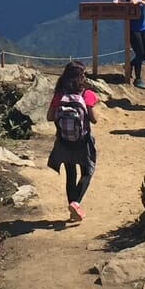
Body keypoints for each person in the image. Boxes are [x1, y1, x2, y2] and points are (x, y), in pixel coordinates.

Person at [46, 60, 100, 221]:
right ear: (80, 77)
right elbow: (95, 119)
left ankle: (73, 207)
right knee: (87, 171)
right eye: (83, 75)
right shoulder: (86, 94)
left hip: (64, 140)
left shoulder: (59, 95)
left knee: (70, 173)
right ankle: (75, 203)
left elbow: (49, 117)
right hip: (82, 141)